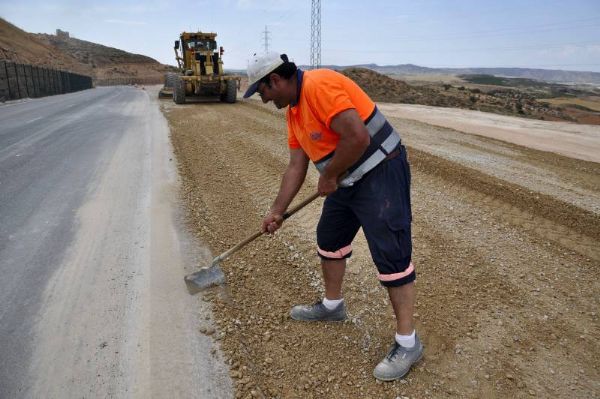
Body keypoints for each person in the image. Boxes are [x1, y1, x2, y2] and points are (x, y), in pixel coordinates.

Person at [243, 52, 423, 381]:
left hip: (381, 169)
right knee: (330, 238)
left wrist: (329, 176)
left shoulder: (318, 86)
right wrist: (276, 211)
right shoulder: (294, 112)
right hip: (347, 177)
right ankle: (332, 306)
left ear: (275, 80)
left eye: (262, 91)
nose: (263, 98)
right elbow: (296, 166)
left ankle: (408, 343)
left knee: (391, 253)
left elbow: (358, 137)